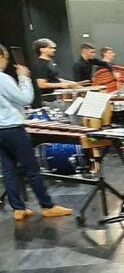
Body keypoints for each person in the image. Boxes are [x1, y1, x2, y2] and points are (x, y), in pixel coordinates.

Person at [0, 44, 73, 220]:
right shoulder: (3, 78)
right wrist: (24, 78)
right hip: (12, 129)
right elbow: (26, 99)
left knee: (9, 171)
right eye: (7, 58)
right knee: (32, 169)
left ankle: (18, 209)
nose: (7, 62)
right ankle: (47, 206)